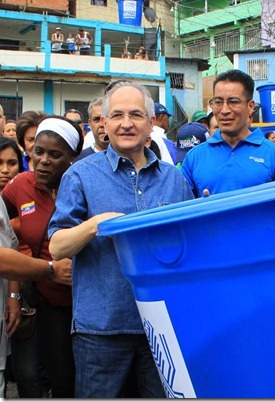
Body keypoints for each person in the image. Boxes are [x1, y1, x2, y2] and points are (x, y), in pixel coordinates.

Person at [47, 81, 194, 398]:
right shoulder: (80, 175)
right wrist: (94, 225)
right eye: (117, 115)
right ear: (104, 123)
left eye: (136, 115)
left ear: (151, 123)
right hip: (101, 328)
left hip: (162, 326)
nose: (126, 123)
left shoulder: (174, 179)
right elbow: (57, 246)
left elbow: (188, 246)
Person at [2, 116, 83, 397]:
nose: (44, 160)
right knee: (53, 377)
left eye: (55, 155)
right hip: (47, 302)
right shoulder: (20, 186)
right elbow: (5, 229)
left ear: (72, 158)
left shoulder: (85, 185)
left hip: (85, 303)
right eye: (39, 151)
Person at [181, 69, 275, 197]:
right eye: (218, 102)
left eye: (233, 102)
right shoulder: (194, 158)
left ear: (251, 106)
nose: (224, 110)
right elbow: (183, 211)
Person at [74, 98, 108, 162]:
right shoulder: (79, 160)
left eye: (106, 119)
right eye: (97, 119)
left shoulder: (129, 158)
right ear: (90, 124)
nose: (102, 124)